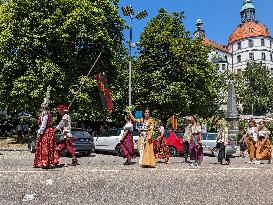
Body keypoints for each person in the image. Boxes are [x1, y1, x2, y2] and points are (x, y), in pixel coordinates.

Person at [33, 97, 59, 169]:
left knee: (45, 147)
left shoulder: (45, 114)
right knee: (46, 147)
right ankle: (43, 162)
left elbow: (43, 125)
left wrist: (39, 132)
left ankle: (45, 163)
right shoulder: (47, 113)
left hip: (46, 132)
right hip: (48, 131)